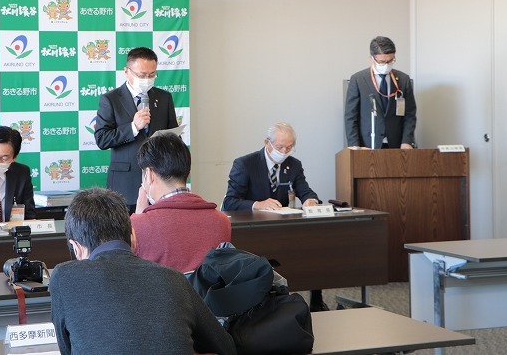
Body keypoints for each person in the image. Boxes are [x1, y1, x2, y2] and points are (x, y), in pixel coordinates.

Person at [49, 187, 236, 355]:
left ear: (76, 248)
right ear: (133, 237)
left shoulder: (64, 277)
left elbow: (67, 349)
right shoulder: (174, 279)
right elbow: (225, 346)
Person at [222, 122, 329, 312]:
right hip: (252, 230)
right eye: (280, 147)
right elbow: (230, 202)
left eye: (289, 147)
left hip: (281, 228)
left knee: (312, 245)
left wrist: (310, 200)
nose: (284, 151)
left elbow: (305, 190)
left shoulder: (293, 165)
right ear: (267, 143)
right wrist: (257, 204)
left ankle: (316, 298)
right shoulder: (245, 164)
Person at [131, 133, 231, 273]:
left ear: (150, 174)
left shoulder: (137, 226)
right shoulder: (222, 221)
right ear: (187, 174)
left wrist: (138, 217)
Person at [94, 46, 178, 208]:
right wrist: (133, 127)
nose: (147, 79)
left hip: (160, 182)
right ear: (127, 72)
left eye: (152, 75)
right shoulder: (110, 99)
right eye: (141, 75)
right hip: (125, 184)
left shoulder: (164, 97)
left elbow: (174, 137)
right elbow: (102, 139)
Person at [344, 36, 417, 149]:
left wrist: (407, 141)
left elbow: (410, 114)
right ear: (372, 58)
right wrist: (355, 146)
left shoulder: (403, 80)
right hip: (367, 145)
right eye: (382, 62)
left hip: (396, 144)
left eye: (390, 61)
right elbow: (351, 116)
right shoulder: (358, 80)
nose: (386, 65)